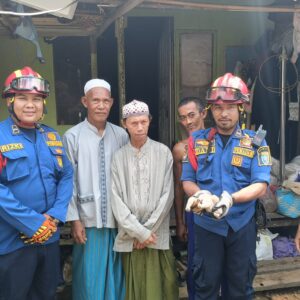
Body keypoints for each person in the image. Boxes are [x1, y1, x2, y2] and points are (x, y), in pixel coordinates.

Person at [181, 73, 271, 300]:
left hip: (241, 227)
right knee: (205, 288)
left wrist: (230, 199)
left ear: (240, 108)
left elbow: (260, 185)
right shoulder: (195, 141)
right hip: (206, 226)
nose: (223, 113)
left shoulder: (257, 143)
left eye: (230, 107)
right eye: (218, 108)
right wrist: (200, 193)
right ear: (210, 110)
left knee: (240, 290)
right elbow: (187, 180)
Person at [0, 66, 73, 300]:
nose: (30, 105)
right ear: (10, 101)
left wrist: (54, 216)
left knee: (46, 294)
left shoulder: (51, 136)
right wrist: (33, 224)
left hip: (49, 239)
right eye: (22, 98)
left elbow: (67, 176)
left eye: (36, 99)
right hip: (13, 243)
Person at [63, 79, 128, 300]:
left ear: (111, 103)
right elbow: (67, 181)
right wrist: (75, 220)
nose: (101, 105)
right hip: (87, 220)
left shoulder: (121, 135)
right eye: (95, 100)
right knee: (89, 279)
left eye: (105, 101)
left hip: (117, 218)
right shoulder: (72, 137)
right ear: (85, 102)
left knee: (117, 277)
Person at [111, 99, 179, 300]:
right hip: (131, 237)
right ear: (124, 124)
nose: (139, 127)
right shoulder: (118, 157)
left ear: (149, 120)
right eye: (134, 123)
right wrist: (139, 232)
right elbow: (116, 199)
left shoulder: (163, 152)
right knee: (135, 289)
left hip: (156, 234)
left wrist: (147, 231)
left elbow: (168, 196)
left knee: (164, 286)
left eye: (143, 121)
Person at [172, 97, 207, 299]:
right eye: (183, 118)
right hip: (194, 212)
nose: (188, 122)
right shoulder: (180, 149)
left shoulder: (216, 140)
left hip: (218, 210)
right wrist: (180, 222)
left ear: (203, 114)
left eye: (192, 115)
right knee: (195, 261)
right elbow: (178, 188)